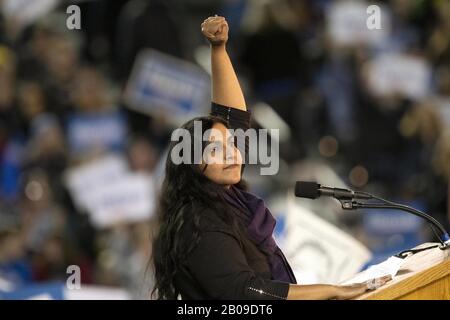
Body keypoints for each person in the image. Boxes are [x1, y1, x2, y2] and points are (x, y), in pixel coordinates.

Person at [151, 16, 390, 300]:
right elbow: (244, 292)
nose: (231, 152)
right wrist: (333, 290)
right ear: (190, 162)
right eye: (214, 149)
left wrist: (219, 50)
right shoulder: (198, 221)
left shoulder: (227, 200)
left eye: (232, 144)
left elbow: (232, 118)